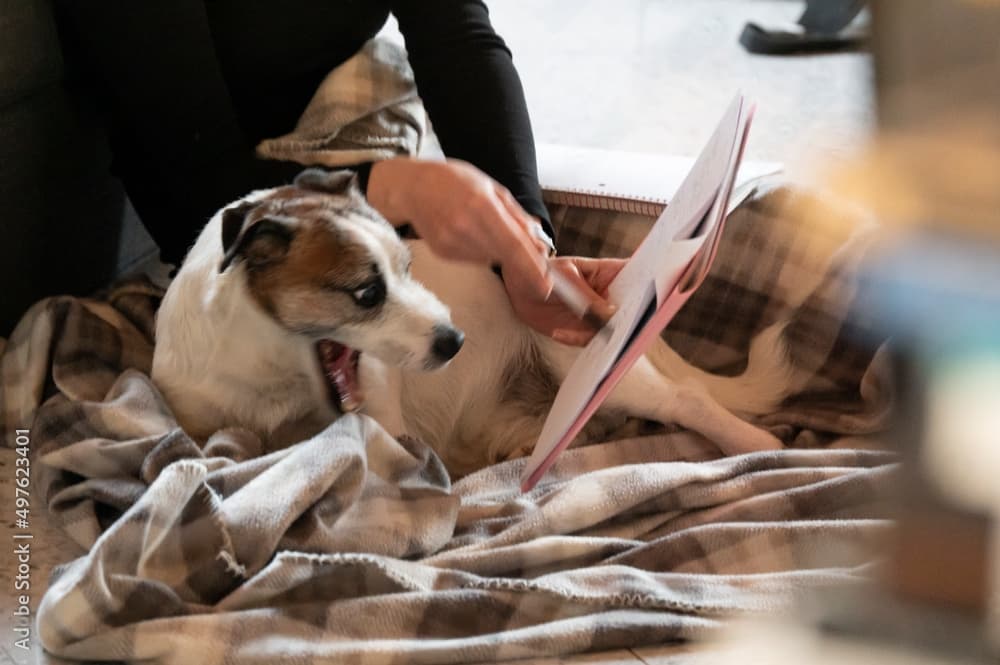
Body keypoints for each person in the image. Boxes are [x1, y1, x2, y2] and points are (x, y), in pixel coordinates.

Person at [53, 0, 623, 346]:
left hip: (346, 153)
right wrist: (396, 188)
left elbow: (458, 41)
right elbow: (191, 186)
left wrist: (527, 242)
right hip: (227, 212)